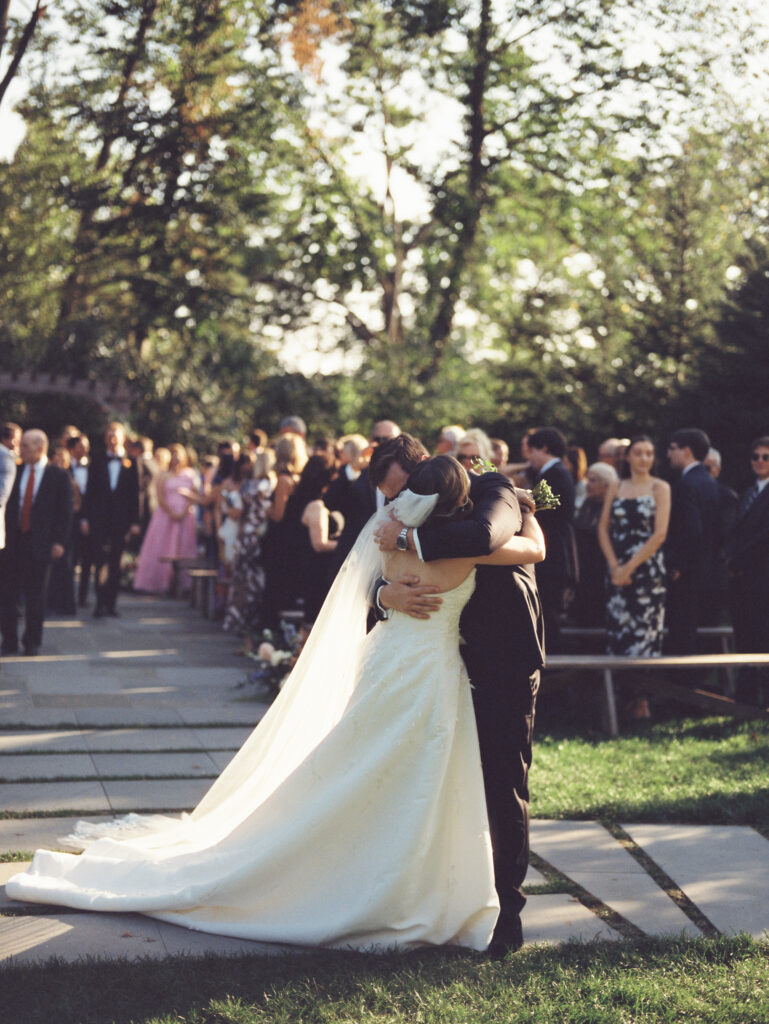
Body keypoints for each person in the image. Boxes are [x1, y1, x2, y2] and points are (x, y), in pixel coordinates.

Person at [6, 456, 545, 956]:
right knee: (413, 774)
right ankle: (404, 884)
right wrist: (531, 515)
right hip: (429, 671)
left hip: (392, 660)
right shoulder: (463, 547)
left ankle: (386, 870)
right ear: (459, 498)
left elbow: (372, 583)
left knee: (367, 765)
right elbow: (526, 550)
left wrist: (392, 573)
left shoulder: (391, 535)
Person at [373, 440, 545, 957]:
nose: (399, 504)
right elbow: (356, 576)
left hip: (503, 663)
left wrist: (406, 536)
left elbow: (485, 536)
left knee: (500, 784)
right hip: (434, 666)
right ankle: (435, 897)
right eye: (391, 498)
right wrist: (385, 593)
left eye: (402, 491)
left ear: (423, 470)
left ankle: (505, 918)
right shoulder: (417, 509)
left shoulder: (495, 492)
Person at [598, 436, 671, 719]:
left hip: (647, 570)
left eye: (649, 453)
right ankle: (619, 700)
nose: (644, 458)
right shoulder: (616, 486)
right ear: (627, 457)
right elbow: (603, 528)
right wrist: (615, 565)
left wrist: (629, 567)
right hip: (615, 567)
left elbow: (660, 533)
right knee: (619, 631)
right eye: (639, 453)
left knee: (645, 633)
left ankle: (642, 702)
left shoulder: (660, 487)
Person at [0, 429, 72, 656]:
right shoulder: (16, 470)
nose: (21, 449)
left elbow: (65, 512)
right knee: (7, 594)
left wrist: (59, 541)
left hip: (40, 544)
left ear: (41, 448)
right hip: (13, 542)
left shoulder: (58, 476)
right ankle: (9, 640)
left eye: (27, 446)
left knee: (36, 595)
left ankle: (32, 640)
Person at [664, 428, 719, 658]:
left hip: (687, 575)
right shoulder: (708, 480)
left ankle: (679, 690)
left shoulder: (686, 484)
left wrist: (677, 566)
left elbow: (691, 530)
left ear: (686, 451)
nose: (668, 454)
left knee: (682, 634)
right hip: (705, 571)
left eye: (672, 448)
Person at [80, 422, 140, 618]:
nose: (113, 438)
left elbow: (134, 495)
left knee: (116, 563)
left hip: (120, 521)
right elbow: (89, 492)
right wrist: (85, 517)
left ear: (123, 438)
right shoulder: (97, 460)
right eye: (109, 435)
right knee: (99, 561)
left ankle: (111, 603)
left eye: (116, 435)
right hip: (99, 519)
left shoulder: (131, 462)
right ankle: (99, 603)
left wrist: (134, 521)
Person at [526, 427, 577, 652]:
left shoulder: (554, 475)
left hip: (552, 557)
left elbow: (536, 511)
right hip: (553, 555)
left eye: (531, 451)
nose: (529, 458)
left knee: (548, 619)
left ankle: (555, 677)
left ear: (543, 448)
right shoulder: (556, 473)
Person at [727, 436, 769, 706]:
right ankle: (746, 702)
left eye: (766, 457)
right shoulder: (747, 493)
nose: (760, 462)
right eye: (756, 456)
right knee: (746, 637)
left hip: (763, 578)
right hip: (744, 582)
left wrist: (737, 560)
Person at [133, 444, 198, 595]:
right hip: (165, 517)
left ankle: (183, 585)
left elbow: (194, 494)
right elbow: (160, 497)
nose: (176, 459)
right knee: (163, 547)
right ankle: (159, 583)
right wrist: (171, 512)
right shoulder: (163, 475)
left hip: (185, 516)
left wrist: (183, 511)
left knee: (183, 548)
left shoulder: (189, 474)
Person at [572, 461, 618, 628]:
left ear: (606, 485)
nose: (588, 485)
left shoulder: (614, 507)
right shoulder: (587, 503)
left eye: (593, 481)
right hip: (585, 570)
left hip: (602, 568)